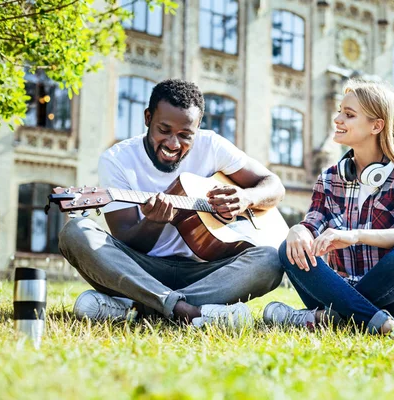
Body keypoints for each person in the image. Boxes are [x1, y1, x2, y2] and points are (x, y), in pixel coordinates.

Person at [58, 79, 285, 329]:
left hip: (206, 273)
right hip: (142, 270)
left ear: (198, 129)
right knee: (75, 231)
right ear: (147, 118)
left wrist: (246, 198)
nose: (173, 144)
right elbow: (126, 240)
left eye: (185, 135)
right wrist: (154, 223)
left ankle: (140, 307)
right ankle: (188, 311)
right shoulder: (117, 160)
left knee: (271, 259)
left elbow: (274, 186)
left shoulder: (212, 146)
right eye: (164, 130)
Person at [262, 79, 394, 340]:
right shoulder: (330, 178)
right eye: (339, 111)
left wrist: (354, 235)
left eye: (348, 114)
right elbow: (310, 225)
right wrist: (298, 230)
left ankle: (323, 319)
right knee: (288, 250)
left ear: (376, 125)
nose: (337, 119)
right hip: (341, 291)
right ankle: (387, 327)